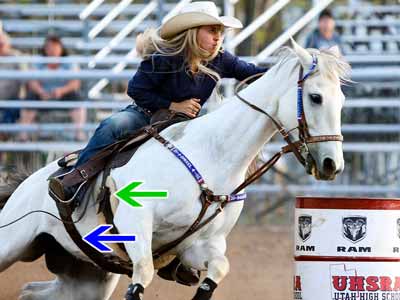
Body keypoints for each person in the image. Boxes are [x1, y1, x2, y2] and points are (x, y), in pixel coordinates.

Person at [49, 1, 268, 202]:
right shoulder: (165, 57)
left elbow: (252, 73)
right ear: (192, 32)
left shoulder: (221, 59)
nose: (218, 37)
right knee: (111, 126)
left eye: (220, 31)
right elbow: (136, 90)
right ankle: (74, 183)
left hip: (188, 124)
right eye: (211, 30)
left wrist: (292, 70)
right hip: (145, 115)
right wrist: (172, 106)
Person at [18, 35, 86, 141]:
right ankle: (23, 135)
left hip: (63, 96)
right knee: (30, 96)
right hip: (43, 96)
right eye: (49, 47)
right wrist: (41, 92)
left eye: (55, 46)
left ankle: (79, 133)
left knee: (76, 96)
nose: (52, 50)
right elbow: (32, 81)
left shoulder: (69, 61)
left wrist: (61, 91)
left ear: (61, 48)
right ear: (45, 49)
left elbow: (75, 83)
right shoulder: (38, 61)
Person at [0, 30, 26, 125]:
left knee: (17, 105)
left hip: (11, 98)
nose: (1, 46)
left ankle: (3, 134)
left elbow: (25, 78)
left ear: (8, 44)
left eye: (2, 43)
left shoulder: (16, 57)